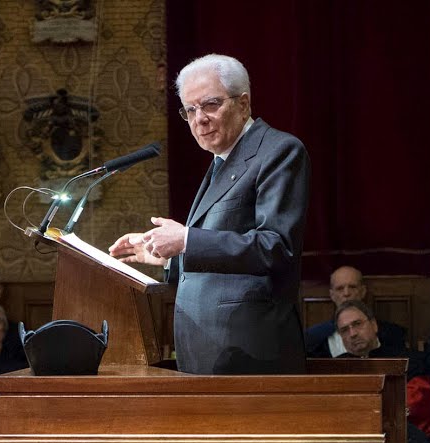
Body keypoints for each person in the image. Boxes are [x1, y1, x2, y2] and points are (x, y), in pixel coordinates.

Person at [109, 53, 310, 375]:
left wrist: (187, 240)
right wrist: (170, 257)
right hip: (208, 350)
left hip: (248, 353)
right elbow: (221, 257)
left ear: (243, 104)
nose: (199, 119)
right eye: (190, 110)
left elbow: (276, 247)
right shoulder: (222, 159)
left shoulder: (278, 151)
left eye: (210, 105)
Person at [304, 266, 408, 357]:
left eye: (352, 287)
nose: (346, 293)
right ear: (332, 295)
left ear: (363, 291)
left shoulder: (393, 333)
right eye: (340, 288)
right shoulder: (313, 337)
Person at [332, 301, 408, 359]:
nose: (353, 334)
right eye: (344, 330)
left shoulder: (404, 360)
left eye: (358, 324)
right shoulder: (334, 367)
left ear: (374, 325)